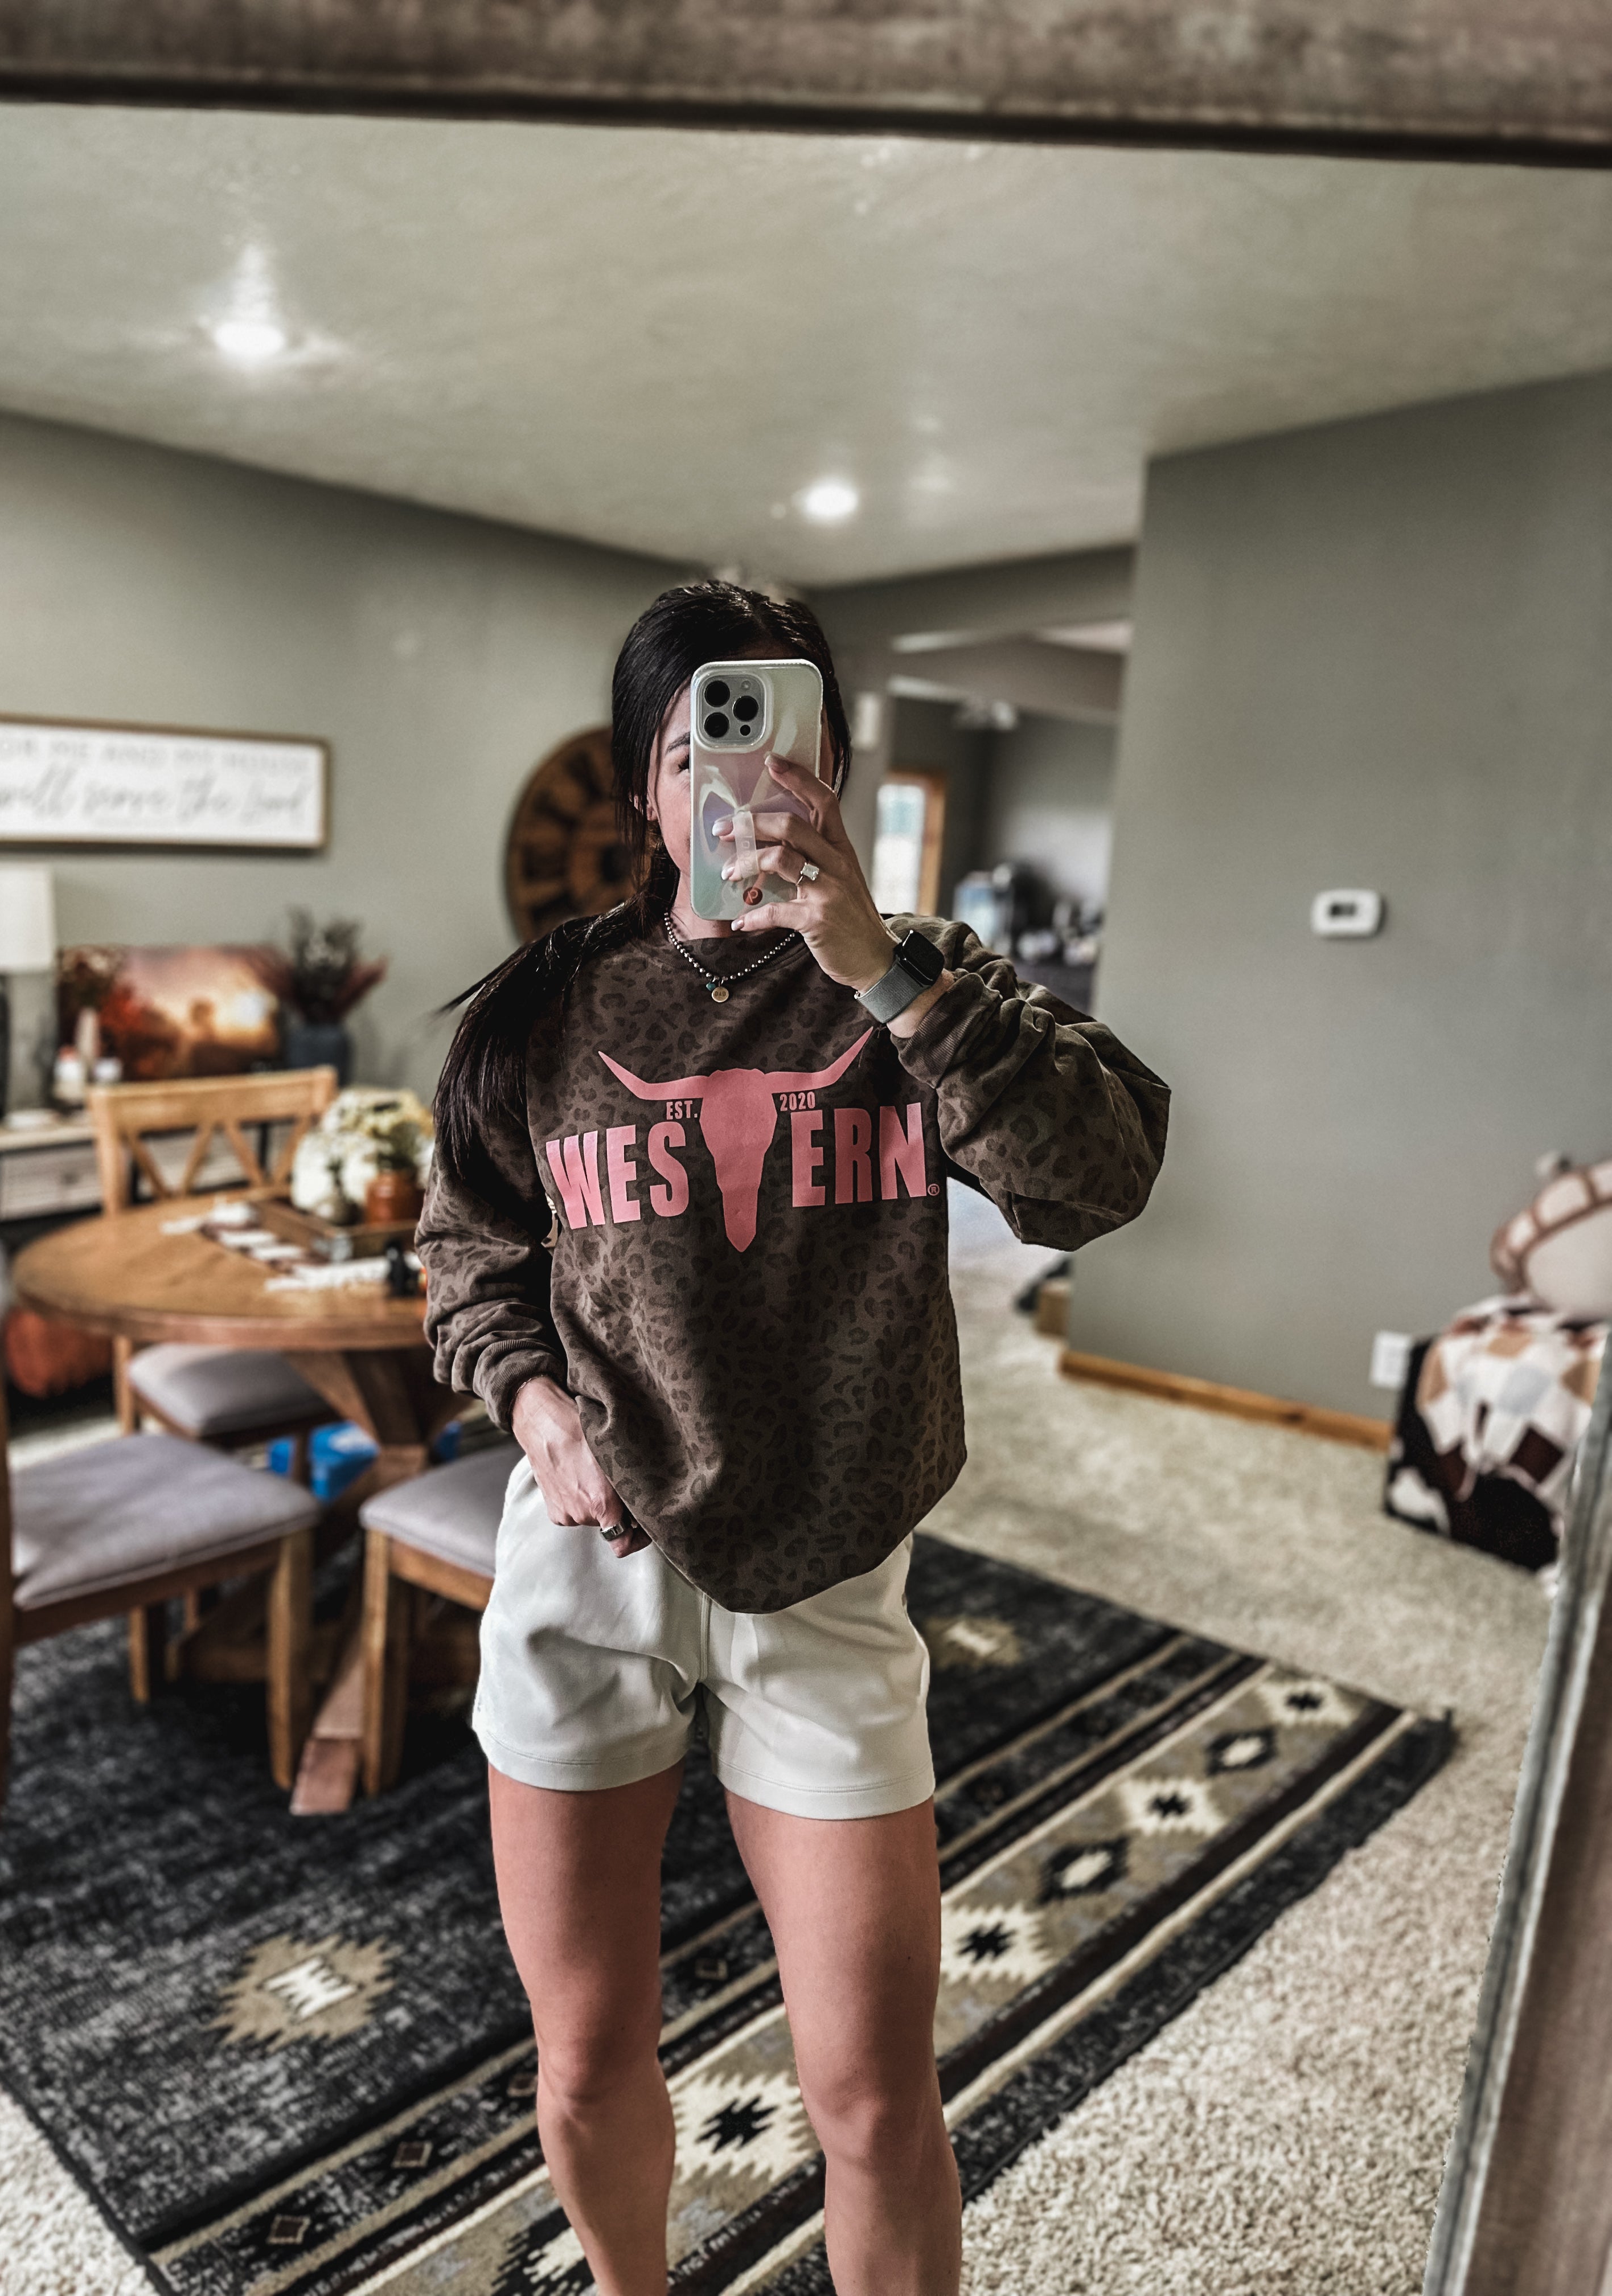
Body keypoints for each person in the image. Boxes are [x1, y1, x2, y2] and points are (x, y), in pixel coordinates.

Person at [418, 580, 1169, 2296]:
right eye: (701, 750)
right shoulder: (541, 1012)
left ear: (833, 767)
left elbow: (1099, 1181)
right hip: (592, 1569)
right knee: (586, 2057)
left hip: (829, 1581)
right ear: (647, 784)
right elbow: (466, 1258)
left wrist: (877, 970)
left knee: (876, 2096)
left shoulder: (927, 982)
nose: (744, 786)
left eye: (785, 743)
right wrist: (534, 1405)